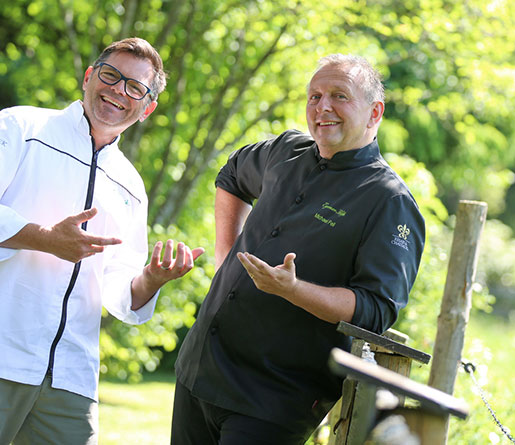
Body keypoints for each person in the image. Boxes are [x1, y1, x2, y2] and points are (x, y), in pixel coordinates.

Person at [0, 37, 203, 445]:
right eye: (111, 75)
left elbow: (118, 287)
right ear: (89, 77)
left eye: (136, 87)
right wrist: (45, 239)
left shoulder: (132, 185)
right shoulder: (20, 125)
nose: (119, 90)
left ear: (147, 107)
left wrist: (152, 279)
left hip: (69, 374)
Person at [170, 54, 425, 444]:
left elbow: (375, 310)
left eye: (339, 96)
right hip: (199, 369)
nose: (323, 107)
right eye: (314, 96)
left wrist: (294, 290)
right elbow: (232, 175)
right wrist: (226, 259)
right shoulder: (285, 150)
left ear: (375, 112)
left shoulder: (389, 202)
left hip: (272, 401)